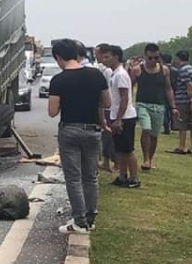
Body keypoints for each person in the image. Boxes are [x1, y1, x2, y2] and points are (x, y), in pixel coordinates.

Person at [48, 38, 111, 234]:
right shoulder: (96, 75)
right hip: (92, 130)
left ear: (58, 57)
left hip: (70, 130)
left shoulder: (58, 80)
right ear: (77, 54)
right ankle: (91, 219)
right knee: (90, 176)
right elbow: (107, 103)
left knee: (74, 178)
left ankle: (79, 221)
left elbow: (52, 111)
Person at [99, 45, 140, 188]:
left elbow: (124, 98)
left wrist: (118, 119)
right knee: (120, 150)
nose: (104, 60)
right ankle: (122, 176)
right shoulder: (114, 74)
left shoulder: (121, 75)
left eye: (107, 57)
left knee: (128, 150)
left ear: (116, 57)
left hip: (125, 117)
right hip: (116, 114)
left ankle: (134, 178)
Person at [132, 43, 178, 171]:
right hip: (143, 104)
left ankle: (150, 159)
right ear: (145, 57)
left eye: (156, 58)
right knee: (146, 129)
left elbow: (168, 89)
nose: (153, 61)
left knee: (154, 134)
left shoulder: (164, 70)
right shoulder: (137, 69)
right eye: (150, 58)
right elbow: (129, 86)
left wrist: (173, 107)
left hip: (159, 106)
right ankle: (145, 158)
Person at [169, 50, 192, 155]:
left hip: (183, 100)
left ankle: (181, 146)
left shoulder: (182, 70)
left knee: (182, 124)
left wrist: (190, 97)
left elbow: (189, 85)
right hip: (191, 99)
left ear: (178, 58)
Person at [95, 43, 116, 173]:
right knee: (105, 136)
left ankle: (111, 162)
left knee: (108, 136)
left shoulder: (107, 71)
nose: (96, 56)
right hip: (105, 107)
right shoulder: (101, 68)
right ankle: (105, 161)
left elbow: (107, 89)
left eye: (97, 53)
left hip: (108, 107)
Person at [161, 52, 174, 134]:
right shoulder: (175, 70)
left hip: (164, 92)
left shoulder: (162, 70)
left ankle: (166, 128)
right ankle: (173, 126)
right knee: (172, 109)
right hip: (174, 92)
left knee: (165, 111)